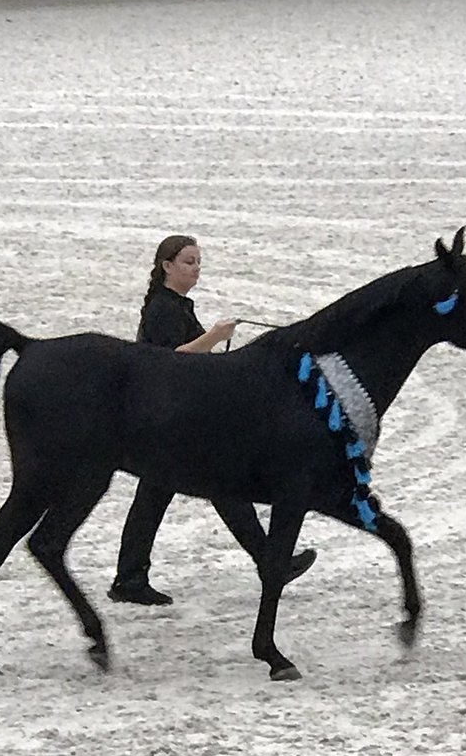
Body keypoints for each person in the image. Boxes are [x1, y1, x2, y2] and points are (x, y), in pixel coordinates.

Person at [108, 235, 316, 606]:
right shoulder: (163, 309)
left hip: (168, 417)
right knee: (223, 486)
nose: (196, 268)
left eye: (198, 262)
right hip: (170, 419)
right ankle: (272, 561)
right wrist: (215, 336)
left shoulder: (176, 306)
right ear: (167, 266)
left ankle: (130, 578)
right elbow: (170, 359)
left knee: (157, 495)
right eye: (189, 262)